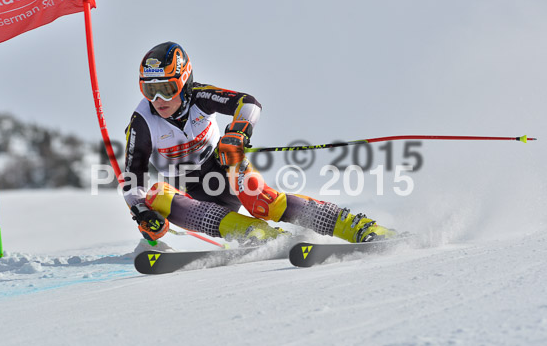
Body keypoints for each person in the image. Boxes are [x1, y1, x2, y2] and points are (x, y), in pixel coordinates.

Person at [123, 41, 396, 245]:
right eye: (150, 90)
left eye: (166, 89)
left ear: (183, 82)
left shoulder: (199, 96)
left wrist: (238, 133)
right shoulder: (142, 122)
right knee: (155, 196)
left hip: (223, 169)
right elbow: (131, 180)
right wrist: (143, 215)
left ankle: (356, 227)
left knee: (261, 201)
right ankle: (261, 236)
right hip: (195, 197)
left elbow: (248, 103)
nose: (159, 101)